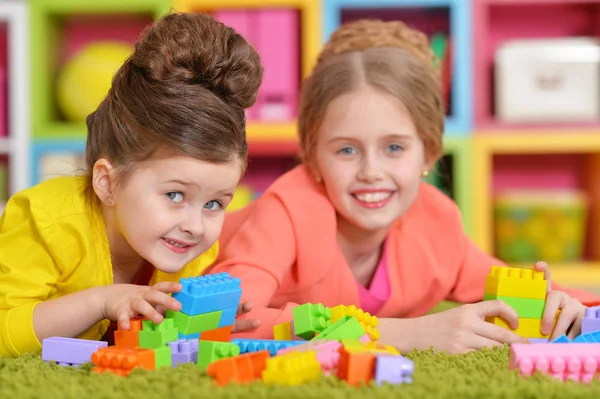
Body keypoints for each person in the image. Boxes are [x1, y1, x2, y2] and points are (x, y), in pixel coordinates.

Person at [207, 19, 600, 354]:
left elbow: (517, 289)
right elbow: (222, 321)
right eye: (347, 150)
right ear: (313, 156)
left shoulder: (436, 223)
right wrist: (402, 333)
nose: (371, 171)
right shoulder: (285, 213)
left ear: (429, 153)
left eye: (394, 147)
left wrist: (563, 304)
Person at [0, 12, 263, 357]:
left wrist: (202, 327)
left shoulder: (189, 247)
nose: (195, 226)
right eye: (174, 195)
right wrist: (103, 300)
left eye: (214, 204)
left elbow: (152, 340)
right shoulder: (45, 222)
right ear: (107, 183)